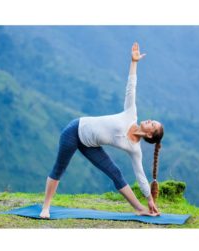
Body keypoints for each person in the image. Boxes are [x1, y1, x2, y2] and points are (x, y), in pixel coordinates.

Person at [40, 42, 164, 219]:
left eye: (152, 124)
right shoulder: (131, 113)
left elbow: (140, 175)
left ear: (150, 134)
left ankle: (138, 208)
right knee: (59, 169)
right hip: (75, 130)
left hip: (90, 144)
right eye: (152, 120)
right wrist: (134, 61)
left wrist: (149, 200)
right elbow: (131, 87)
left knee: (115, 173)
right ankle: (45, 207)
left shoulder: (134, 149)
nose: (150, 120)